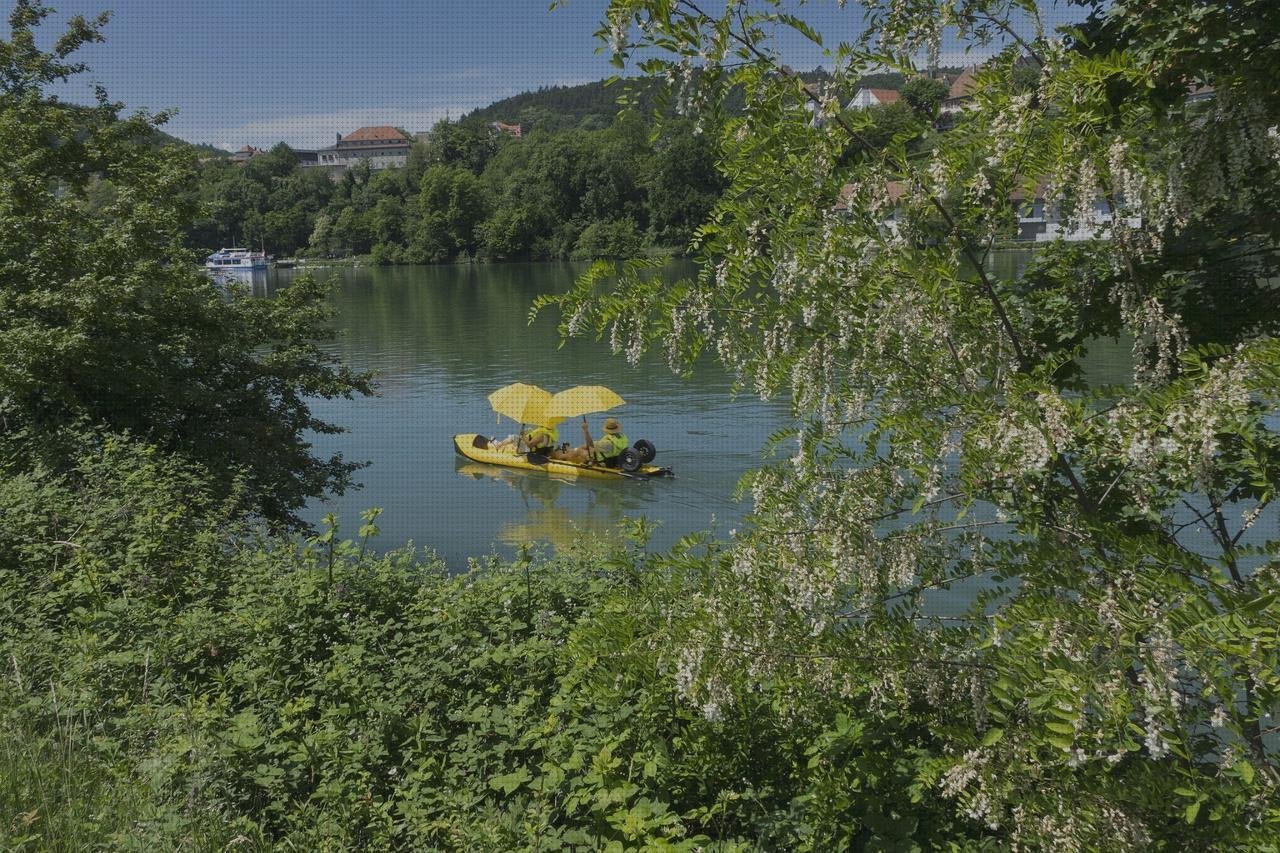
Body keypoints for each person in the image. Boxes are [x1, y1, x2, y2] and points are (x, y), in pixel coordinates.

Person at [562, 417, 629, 465]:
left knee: (580, 450)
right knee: (584, 446)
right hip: (615, 459)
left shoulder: (607, 443)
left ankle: (564, 456)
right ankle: (569, 450)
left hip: (603, 461)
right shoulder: (623, 438)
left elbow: (590, 444)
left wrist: (585, 430)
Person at [493, 423, 559, 453]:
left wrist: (523, 435)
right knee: (518, 438)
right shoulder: (552, 434)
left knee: (513, 437)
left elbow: (530, 445)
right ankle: (507, 445)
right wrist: (526, 432)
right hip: (538, 450)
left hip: (529, 450)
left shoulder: (541, 435)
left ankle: (498, 445)